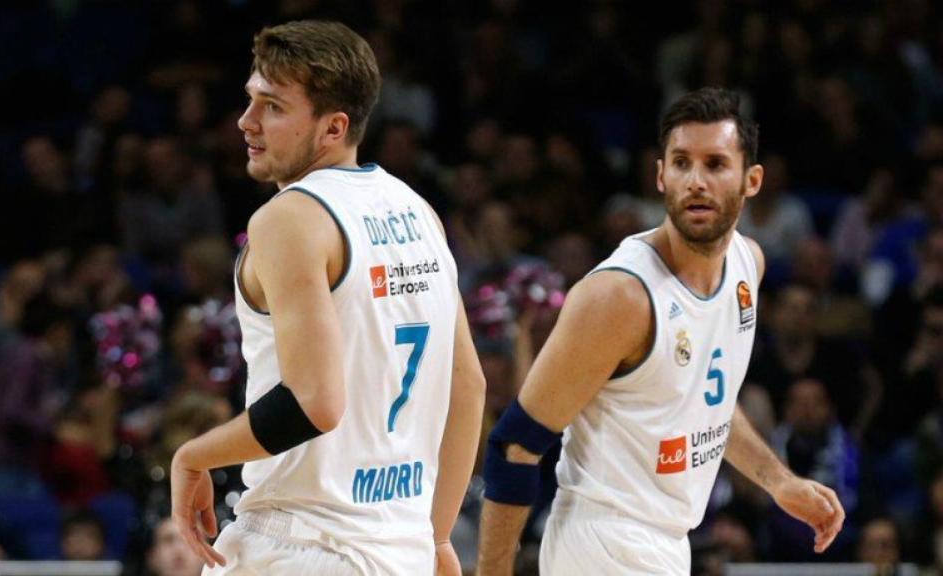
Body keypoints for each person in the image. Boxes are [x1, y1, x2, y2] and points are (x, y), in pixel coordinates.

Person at [476, 88, 845, 575]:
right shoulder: (620, 297)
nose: (696, 181)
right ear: (659, 175)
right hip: (603, 542)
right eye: (682, 163)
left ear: (751, 180)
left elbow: (704, 406)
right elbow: (515, 445)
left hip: (668, 540)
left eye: (715, 164)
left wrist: (778, 481)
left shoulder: (746, 264)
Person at [169, 20, 485, 576]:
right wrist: (434, 537)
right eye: (250, 101)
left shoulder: (290, 218)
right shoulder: (418, 211)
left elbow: (315, 402)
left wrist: (194, 455)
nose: (247, 122)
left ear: (333, 127)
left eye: (273, 107)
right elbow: (468, 386)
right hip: (399, 549)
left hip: (301, 544)